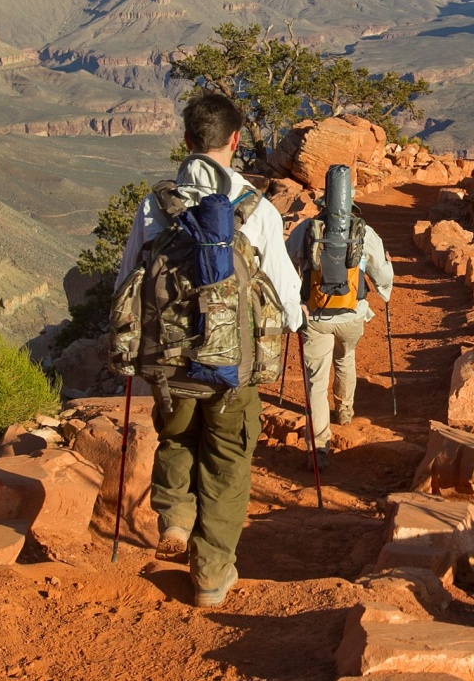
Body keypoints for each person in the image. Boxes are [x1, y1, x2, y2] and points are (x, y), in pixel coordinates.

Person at [115, 93, 303, 608]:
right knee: (227, 464)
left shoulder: (156, 205)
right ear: (235, 140)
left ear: (187, 140)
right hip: (232, 370)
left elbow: (126, 280)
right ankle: (211, 575)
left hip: (170, 366)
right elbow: (286, 295)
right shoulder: (256, 209)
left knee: (176, 440)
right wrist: (298, 321)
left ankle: (175, 515)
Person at [285, 169, 393, 469]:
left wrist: (295, 300)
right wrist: (384, 291)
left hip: (316, 316)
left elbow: (288, 261)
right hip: (352, 315)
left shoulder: (306, 230)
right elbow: (381, 272)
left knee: (316, 381)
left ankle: (319, 449)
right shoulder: (364, 232)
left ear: (323, 205)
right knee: (346, 360)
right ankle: (344, 412)